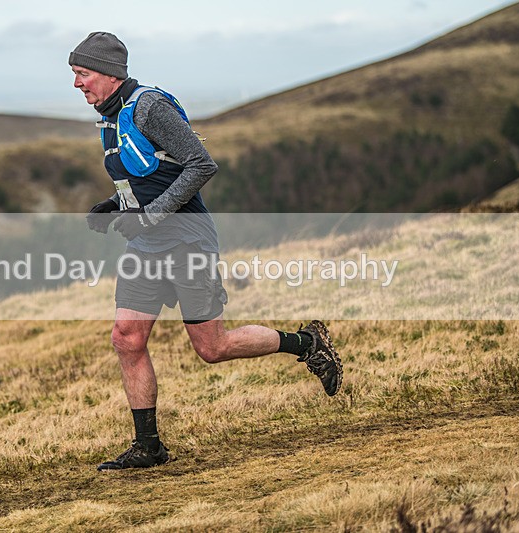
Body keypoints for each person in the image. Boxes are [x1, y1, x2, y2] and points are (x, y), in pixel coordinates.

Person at [68, 32, 343, 471]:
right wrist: (117, 205)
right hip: (146, 245)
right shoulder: (109, 117)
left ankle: (308, 343)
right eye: (75, 75)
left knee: (212, 347)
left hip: (186, 241)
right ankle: (149, 446)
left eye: (82, 74)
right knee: (126, 338)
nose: (77, 84)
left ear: (110, 73)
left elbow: (201, 164)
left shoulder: (149, 108)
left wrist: (152, 213)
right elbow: (150, 175)